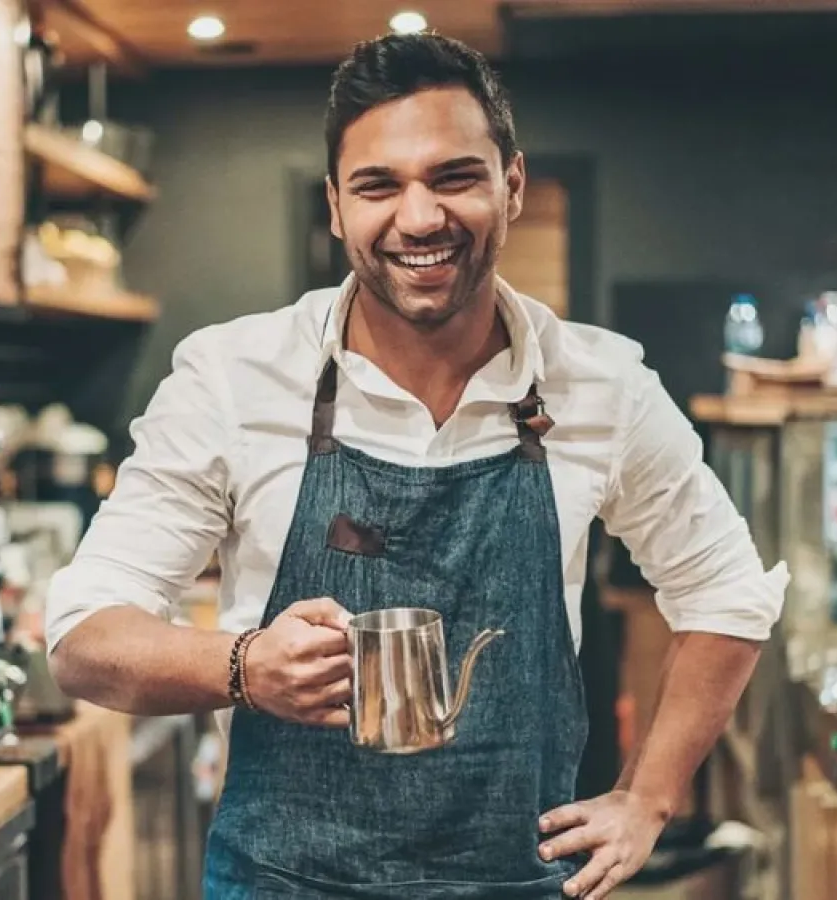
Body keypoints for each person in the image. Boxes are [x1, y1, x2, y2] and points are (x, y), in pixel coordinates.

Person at [45, 31, 788, 900]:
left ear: (511, 185)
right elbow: (83, 636)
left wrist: (649, 798)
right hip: (284, 882)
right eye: (378, 185)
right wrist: (244, 666)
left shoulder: (601, 384)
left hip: (515, 882)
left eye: (453, 177)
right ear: (334, 205)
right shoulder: (232, 376)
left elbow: (727, 590)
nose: (419, 216)